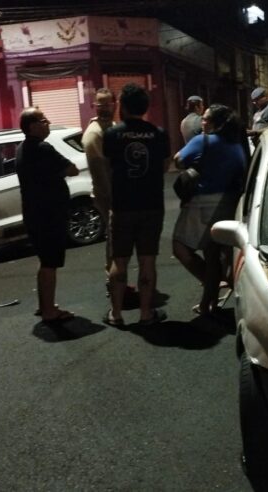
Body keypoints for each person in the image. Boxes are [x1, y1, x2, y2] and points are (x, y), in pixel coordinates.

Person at [102, 83, 170, 327]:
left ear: (123, 106)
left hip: (122, 206)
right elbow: (164, 167)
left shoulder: (111, 135)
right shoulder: (159, 134)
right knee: (147, 260)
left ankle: (116, 314)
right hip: (152, 205)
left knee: (119, 261)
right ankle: (145, 314)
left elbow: (109, 168)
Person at [173, 104, 247, 315]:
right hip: (229, 203)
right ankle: (208, 303)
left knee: (181, 248)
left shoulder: (202, 141)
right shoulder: (236, 144)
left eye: (206, 119)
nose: (202, 122)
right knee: (212, 253)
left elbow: (178, 160)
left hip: (203, 203)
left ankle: (212, 285)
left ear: (218, 123)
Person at [15, 107, 80, 323]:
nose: (48, 123)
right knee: (50, 262)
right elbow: (72, 169)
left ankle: (45, 305)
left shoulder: (22, 148)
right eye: (44, 120)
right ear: (33, 126)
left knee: (45, 261)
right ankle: (49, 311)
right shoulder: (43, 148)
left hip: (34, 213)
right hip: (49, 215)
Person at [81, 88, 116, 289]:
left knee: (116, 239)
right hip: (107, 195)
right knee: (113, 240)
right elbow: (99, 172)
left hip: (113, 192)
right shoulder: (94, 134)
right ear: (94, 106)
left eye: (107, 103)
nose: (104, 108)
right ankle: (113, 281)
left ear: (114, 103)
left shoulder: (110, 126)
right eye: (100, 104)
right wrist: (112, 199)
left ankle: (116, 279)